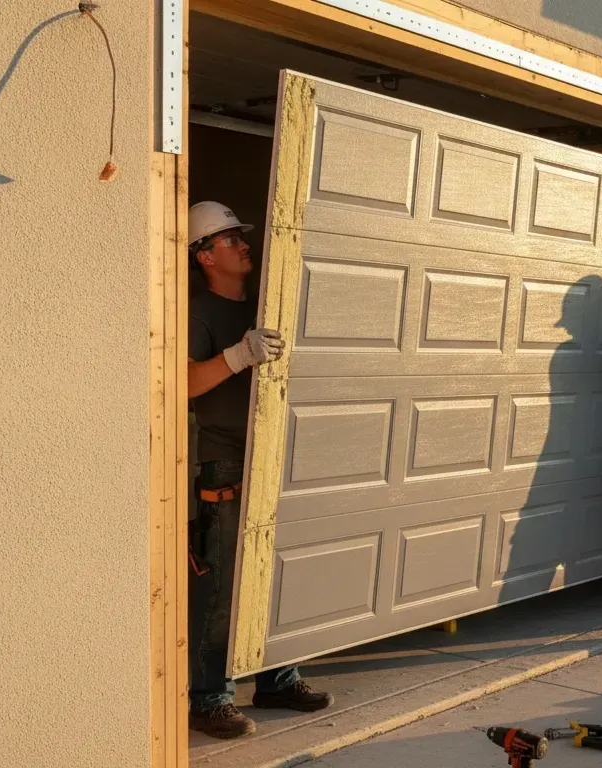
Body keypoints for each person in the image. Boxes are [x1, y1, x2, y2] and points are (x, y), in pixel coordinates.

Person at [187, 201, 334, 739]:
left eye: (240, 238)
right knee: (223, 588)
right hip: (225, 463)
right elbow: (181, 383)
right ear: (204, 256)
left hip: (274, 453)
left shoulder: (267, 303)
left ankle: (278, 678)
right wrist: (237, 357)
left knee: (279, 580)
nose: (243, 244)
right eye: (229, 240)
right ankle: (208, 699)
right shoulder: (198, 313)